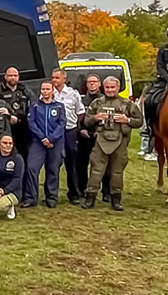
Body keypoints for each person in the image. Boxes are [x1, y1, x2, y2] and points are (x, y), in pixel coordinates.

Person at [81, 77, 143, 211]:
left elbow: (139, 121)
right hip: (101, 140)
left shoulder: (127, 104)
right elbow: (86, 121)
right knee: (96, 171)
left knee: (117, 172)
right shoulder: (97, 103)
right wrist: (95, 118)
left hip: (120, 141)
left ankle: (116, 199)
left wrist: (127, 120)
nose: (110, 90)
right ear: (104, 88)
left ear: (118, 88)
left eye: (112, 87)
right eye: (107, 87)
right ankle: (90, 198)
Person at [22, 81, 65, 208]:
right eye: (43, 89)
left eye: (47, 89)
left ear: (52, 91)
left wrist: (51, 139)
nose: (45, 91)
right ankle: (31, 197)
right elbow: (31, 123)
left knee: (53, 170)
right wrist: (42, 138)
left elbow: (62, 124)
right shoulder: (35, 106)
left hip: (55, 143)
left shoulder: (59, 106)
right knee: (31, 168)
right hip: (38, 142)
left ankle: (51, 197)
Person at [52, 69, 85, 204]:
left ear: (64, 79)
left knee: (72, 164)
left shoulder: (73, 94)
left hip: (69, 131)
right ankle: (52, 194)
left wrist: (76, 127)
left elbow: (80, 111)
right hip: (54, 133)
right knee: (53, 164)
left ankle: (74, 193)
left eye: (57, 78)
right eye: (53, 78)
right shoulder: (48, 93)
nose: (54, 80)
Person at [76, 74, 111, 202]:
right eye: (89, 82)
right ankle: (82, 189)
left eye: (94, 82)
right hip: (84, 136)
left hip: (100, 136)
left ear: (99, 84)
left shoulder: (105, 100)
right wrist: (81, 130)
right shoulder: (81, 99)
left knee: (103, 165)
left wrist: (100, 131)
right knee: (82, 165)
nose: (92, 84)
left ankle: (106, 192)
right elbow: (78, 117)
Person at [0, 67, 32, 158]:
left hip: (23, 128)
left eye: (15, 75)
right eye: (10, 75)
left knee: (24, 155)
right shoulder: (0, 91)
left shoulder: (25, 90)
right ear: (5, 77)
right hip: (7, 128)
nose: (13, 78)